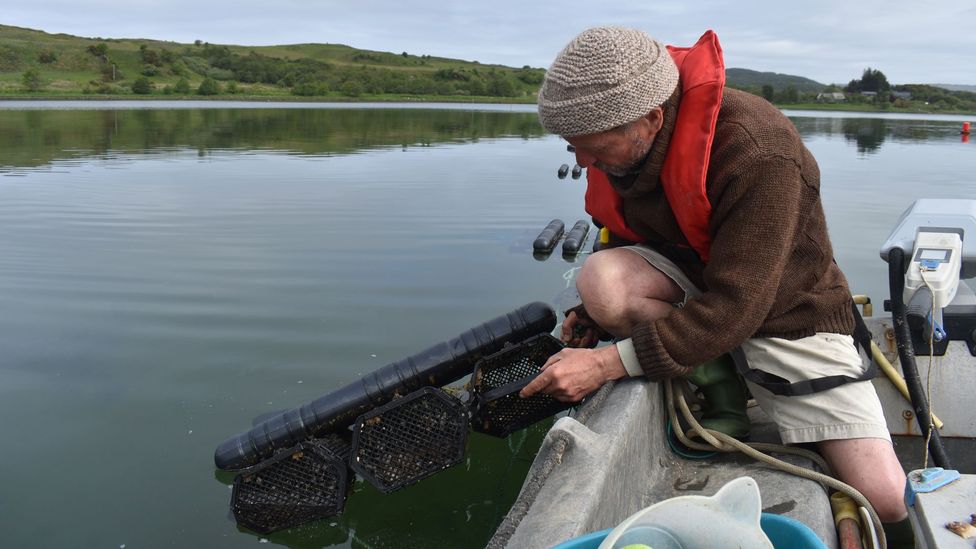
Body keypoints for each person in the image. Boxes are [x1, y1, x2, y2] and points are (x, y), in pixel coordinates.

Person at [519, 26, 913, 547]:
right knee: (602, 285)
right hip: (701, 289)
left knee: (884, 497)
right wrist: (588, 312)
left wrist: (604, 364)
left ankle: (745, 390)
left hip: (785, 312)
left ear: (651, 119)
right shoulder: (626, 148)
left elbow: (740, 305)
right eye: (575, 149)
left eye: (594, 149)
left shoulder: (757, 151)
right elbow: (631, 239)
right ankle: (719, 375)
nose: (584, 163)